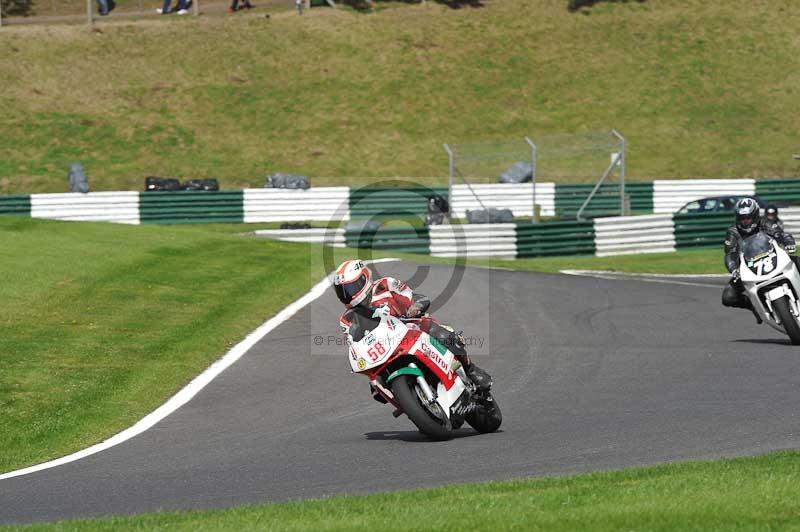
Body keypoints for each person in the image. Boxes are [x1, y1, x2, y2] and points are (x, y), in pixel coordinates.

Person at [333, 259, 492, 395]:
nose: (347, 295)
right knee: (376, 389)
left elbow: (416, 297)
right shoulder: (347, 319)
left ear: (364, 279)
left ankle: (470, 369)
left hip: (412, 327)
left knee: (443, 336)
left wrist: (414, 308)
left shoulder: (384, 285)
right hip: (385, 349)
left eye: (351, 289)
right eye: (343, 291)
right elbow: (355, 345)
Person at [722, 198, 798, 322]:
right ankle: (754, 307)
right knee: (728, 297)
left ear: (755, 215)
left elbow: (781, 234)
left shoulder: (765, 223)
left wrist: (789, 243)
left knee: (797, 261)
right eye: (742, 218)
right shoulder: (733, 231)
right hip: (748, 267)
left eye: (748, 217)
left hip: (772, 257)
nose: (745, 221)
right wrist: (733, 269)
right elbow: (730, 253)